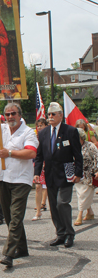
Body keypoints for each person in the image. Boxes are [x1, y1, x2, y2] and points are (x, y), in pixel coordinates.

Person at [0, 99, 39, 268]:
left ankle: (8, 253)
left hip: (21, 179)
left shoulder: (28, 132)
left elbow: (30, 153)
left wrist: (9, 153)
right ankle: (22, 248)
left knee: (15, 216)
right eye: (7, 114)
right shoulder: (1, 129)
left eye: (13, 113)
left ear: (20, 115)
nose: (9, 117)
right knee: (9, 217)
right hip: (2, 177)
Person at [34, 102, 83, 249]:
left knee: (62, 203)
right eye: (48, 114)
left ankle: (69, 233)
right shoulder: (43, 133)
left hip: (66, 172)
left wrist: (78, 173)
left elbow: (77, 155)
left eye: (53, 114)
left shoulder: (70, 131)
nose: (50, 117)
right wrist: (37, 173)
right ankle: (60, 234)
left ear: (60, 115)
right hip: (50, 174)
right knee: (54, 206)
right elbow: (39, 156)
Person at [74, 128, 98, 225]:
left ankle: (79, 215)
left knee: (83, 195)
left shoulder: (90, 146)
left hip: (89, 175)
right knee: (81, 195)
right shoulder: (73, 147)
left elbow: (97, 158)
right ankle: (90, 212)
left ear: (81, 137)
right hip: (77, 175)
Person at [32, 119, 48, 221]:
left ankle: (44, 203)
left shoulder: (50, 136)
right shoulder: (36, 137)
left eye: (41, 125)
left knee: (47, 187)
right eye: (38, 126)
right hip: (38, 164)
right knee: (38, 187)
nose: (39, 127)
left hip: (48, 165)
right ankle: (38, 211)